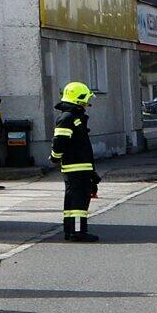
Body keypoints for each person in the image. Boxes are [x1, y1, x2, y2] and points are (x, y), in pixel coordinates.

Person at [49, 82, 99, 241]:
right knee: (79, 199)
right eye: (85, 99)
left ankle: (71, 230)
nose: (87, 103)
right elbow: (59, 142)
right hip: (76, 166)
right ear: (78, 99)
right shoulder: (68, 117)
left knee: (73, 199)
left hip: (78, 166)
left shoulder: (73, 117)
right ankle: (78, 232)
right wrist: (55, 157)